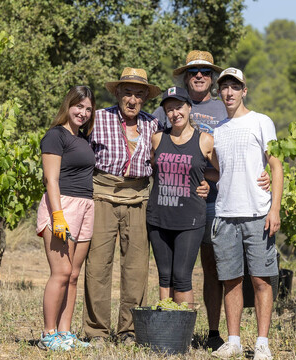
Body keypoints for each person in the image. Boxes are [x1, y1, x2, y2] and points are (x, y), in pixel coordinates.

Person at [82, 68, 210, 345]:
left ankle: (129, 331)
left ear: (144, 99)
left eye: (139, 94)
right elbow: (78, 153)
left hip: (139, 198)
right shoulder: (98, 119)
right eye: (127, 92)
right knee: (98, 265)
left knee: (137, 268)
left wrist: (203, 183)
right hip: (102, 195)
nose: (133, 99)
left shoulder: (153, 125)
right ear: (117, 93)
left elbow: (177, 158)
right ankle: (97, 332)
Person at [152, 50, 269, 350]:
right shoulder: (166, 110)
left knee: (215, 269)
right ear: (185, 77)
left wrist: (264, 173)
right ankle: (176, 329)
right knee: (178, 270)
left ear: (213, 78)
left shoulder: (224, 107)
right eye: (193, 72)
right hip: (177, 203)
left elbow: (245, 150)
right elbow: (152, 145)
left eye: (205, 71)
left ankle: (216, 332)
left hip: (218, 203)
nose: (199, 76)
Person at [210, 68, 284, 360]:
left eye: (234, 87)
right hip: (225, 214)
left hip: (257, 213)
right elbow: (218, 169)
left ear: (244, 90)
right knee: (231, 280)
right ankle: (234, 341)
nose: (228, 92)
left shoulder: (261, 122)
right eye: (224, 88)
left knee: (262, 279)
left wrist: (274, 208)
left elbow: (275, 166)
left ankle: (262, 343)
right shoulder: (218, 130)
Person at [36, 86, 96, 351]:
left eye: (88, 109)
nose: (82, 113)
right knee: (60, 272)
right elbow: (51, 179)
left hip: (86, 206)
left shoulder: (83, 138)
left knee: (73, 274)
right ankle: (48, 335)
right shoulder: (55, 135)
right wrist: (57, 216)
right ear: (68, 106)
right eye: (78, 106)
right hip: (63, 205)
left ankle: (65, 333)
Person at [147, 86, 218, 308]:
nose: (175, 113)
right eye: (169, 109)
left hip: (190, 219)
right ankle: (165, 331)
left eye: (179, 107)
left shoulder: (204, 140)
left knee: (182, 276)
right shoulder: (157, 138)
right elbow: (152, 167)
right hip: (159, 217)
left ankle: (182, 333)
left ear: (189, 108)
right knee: (164, 275)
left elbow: (220, 171)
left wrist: (204, 179)